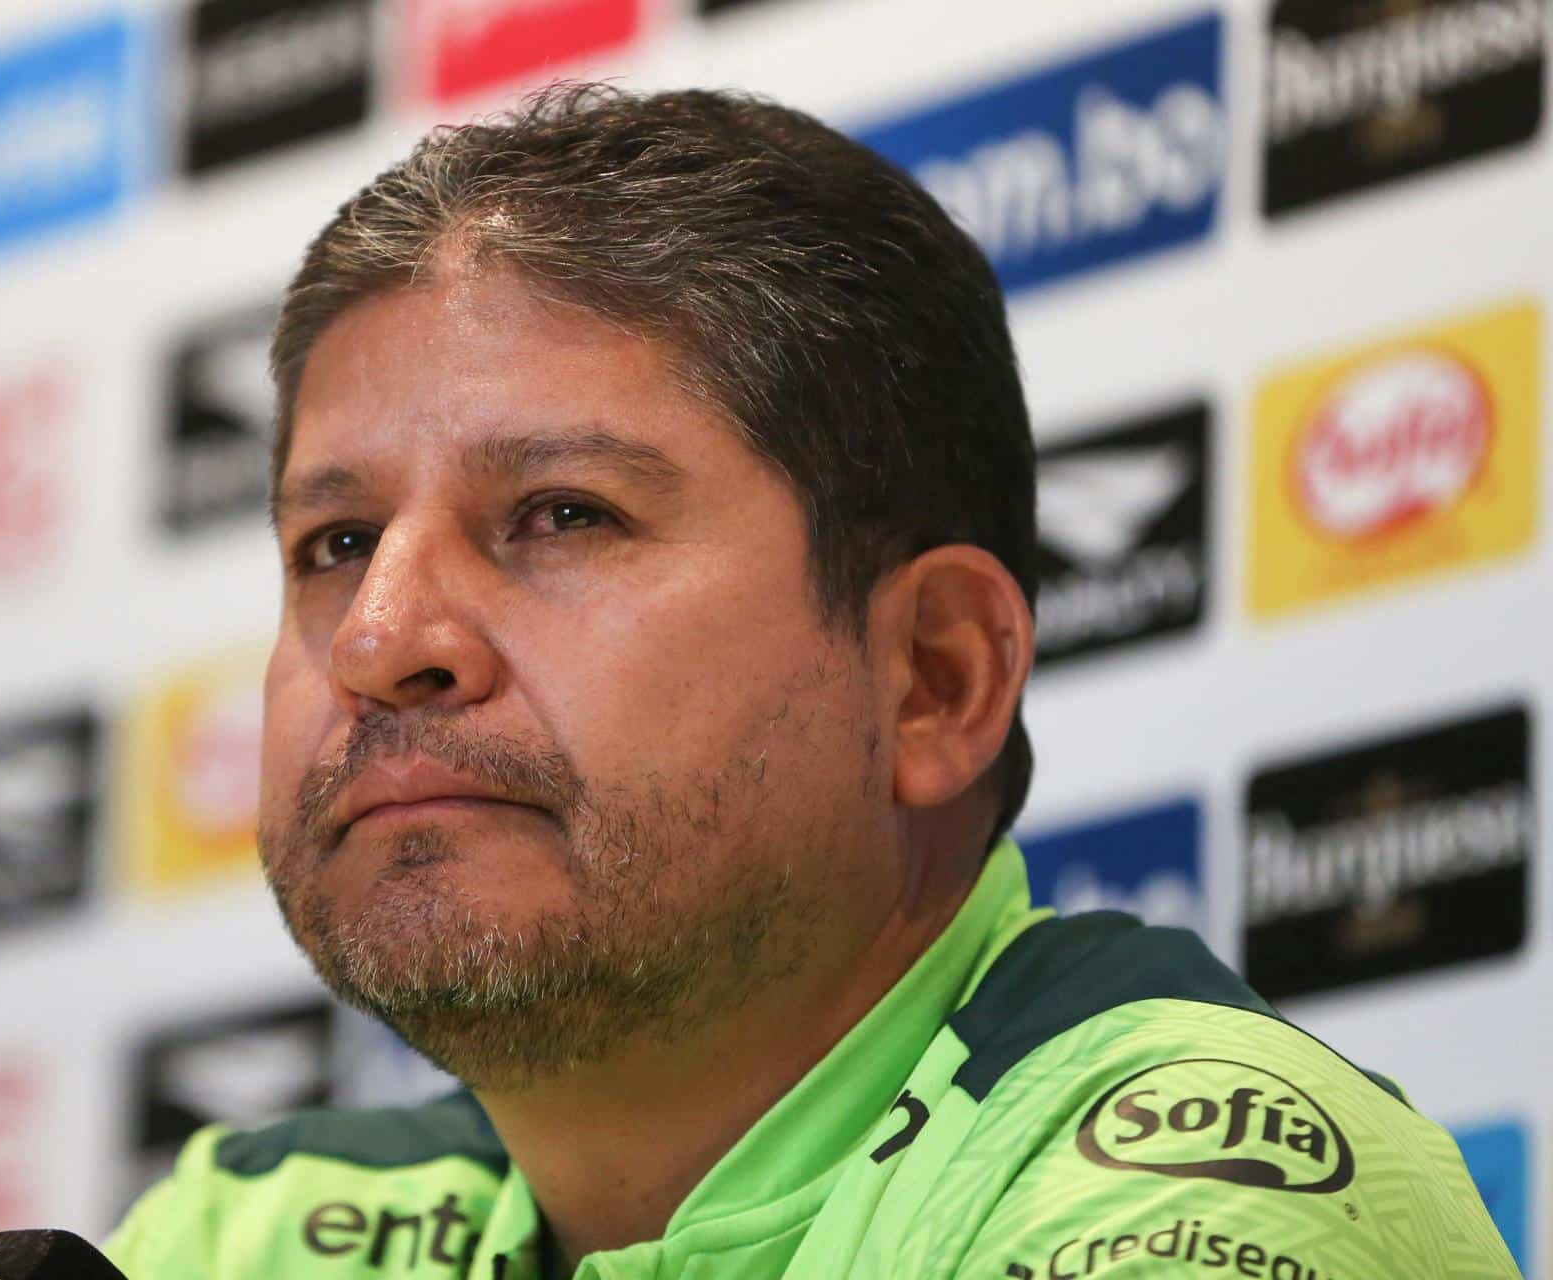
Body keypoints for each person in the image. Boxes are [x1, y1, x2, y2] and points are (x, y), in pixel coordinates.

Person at [105, 84, 1516, 1280]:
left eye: (563, 514)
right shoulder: (256, 1234)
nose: (380, 635)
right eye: (335, 544)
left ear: (934, 682)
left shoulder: (1202, 1192)